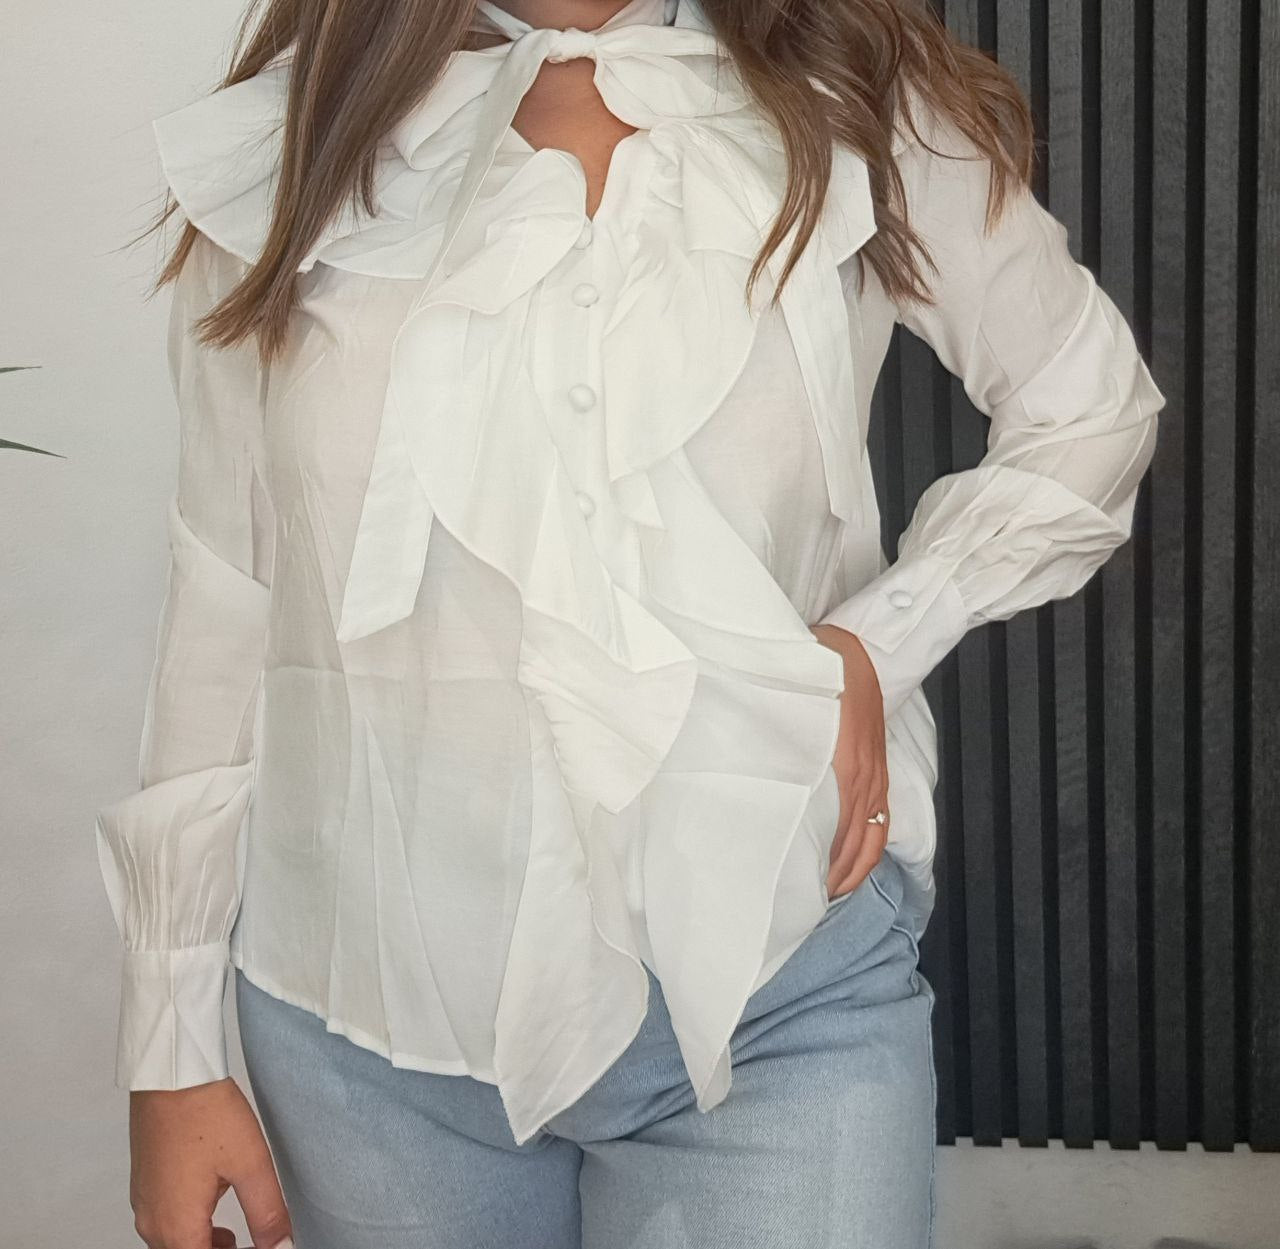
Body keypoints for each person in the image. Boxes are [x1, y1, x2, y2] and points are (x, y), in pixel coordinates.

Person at [93, 0, 1164, 1245]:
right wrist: (169, 1045)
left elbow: (1088, 409)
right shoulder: (298, 140)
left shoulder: (858, 103)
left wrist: (880, 639)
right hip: (370, 1030)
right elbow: (226, 591)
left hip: (779, 988)